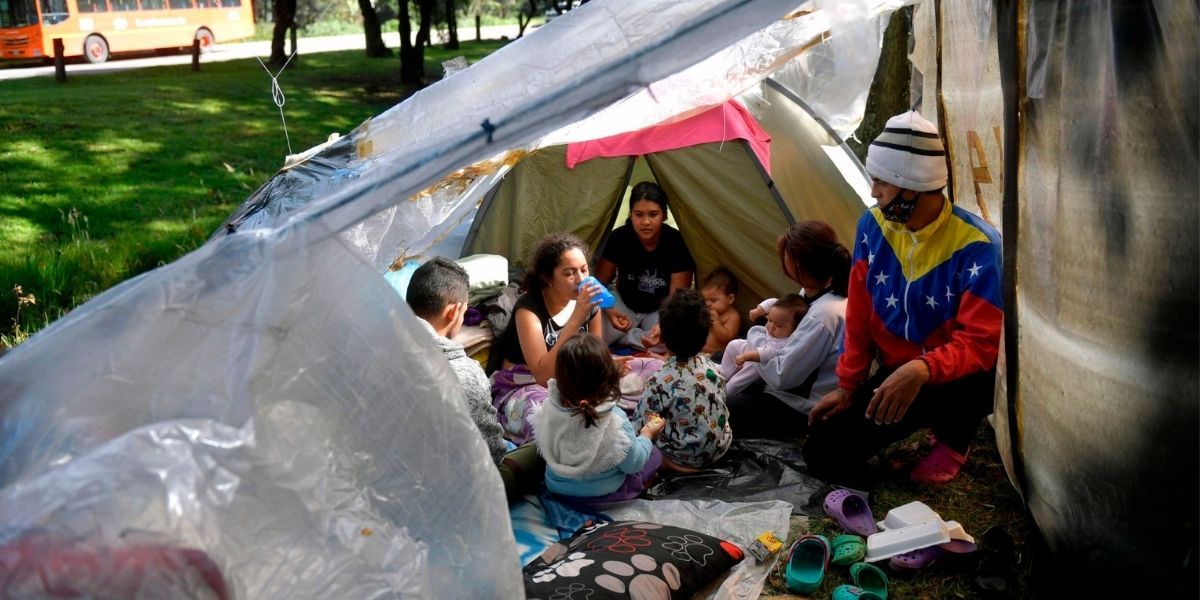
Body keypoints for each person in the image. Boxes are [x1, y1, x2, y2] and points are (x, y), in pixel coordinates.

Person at [804, 111, 1003, 485]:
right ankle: (922, 425)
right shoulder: (873, 225)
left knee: (983, 377)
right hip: (898, 371)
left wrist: (922, 370)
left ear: (912, 187)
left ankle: (953, 439)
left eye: (881, 181)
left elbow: (982, 345)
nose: (873, 192)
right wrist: (848, 386)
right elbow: (860, 313)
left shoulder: (978, 246)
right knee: (822, 452)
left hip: (947, 377)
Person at [724, 221, 850, 436]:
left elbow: (781, 377)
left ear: (800, 265)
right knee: (728, 359)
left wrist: (757, 333)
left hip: (799, 407)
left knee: (722, 413)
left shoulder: (825, 313)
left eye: (786, 257)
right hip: (781, 385)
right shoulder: (811, 292)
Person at [490, 233, 607, 445]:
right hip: (526, 384)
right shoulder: (529, 310)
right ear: (548, 278)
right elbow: (543, 375)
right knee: (553, 422)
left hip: (573, 379)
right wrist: (575, 321)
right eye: (569, 273)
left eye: (584, 269)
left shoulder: (590, 303)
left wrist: (610, 367)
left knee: (648, 373)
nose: (581, 279)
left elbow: (596, 357)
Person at [532, 335, 666, 504]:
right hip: (605, 495)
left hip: (558, 490)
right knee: (653, 455)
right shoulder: (615, 421)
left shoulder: (548, 408)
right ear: (608, 379)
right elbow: (633, 464)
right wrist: (647, 434)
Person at [407, 257, 508, 465]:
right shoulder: (465, 374)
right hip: (440, 487)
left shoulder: (373, 346)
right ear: (453, 312)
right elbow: (491, 453)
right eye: (464, 311)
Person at [637, 290, 733, 472]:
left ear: (663, 337)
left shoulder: (658, 381)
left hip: (682, 458)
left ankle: (673, 465)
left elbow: (641, 424)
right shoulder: (712, 367)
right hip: (720, 448)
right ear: (706, 335)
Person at [595, 181, 696, 350]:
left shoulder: (677, 242)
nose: (646, 222)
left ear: (664, 215)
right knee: (593, 338)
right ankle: (632, 338)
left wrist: (663, 325)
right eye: (639, 214)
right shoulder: (619, 238)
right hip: (623, 306)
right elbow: (598, 284)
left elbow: (676, 300)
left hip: (659, 312)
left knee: (676, 340)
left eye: (653, 214)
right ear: (631, 215)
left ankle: (627, 337)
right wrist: (609, 310)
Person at [719, 293, 808, 397]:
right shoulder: (779, 315)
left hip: (758, 363)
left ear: (795, 329)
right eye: (770, 320)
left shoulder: (783, 342)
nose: (771, 326)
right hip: (751, 345)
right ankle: (724, 372)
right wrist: (759, 311)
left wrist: (745, 356)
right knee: (733, 345)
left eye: (778, 325)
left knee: (738, 380)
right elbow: (773, 301)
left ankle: (723, 395)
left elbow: (766, 353)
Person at [700, 266, 741, 355]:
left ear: (730, 299)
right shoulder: (706, 311)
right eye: (705, 300)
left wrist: (716, 322)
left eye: (713, 300)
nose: (707, 304)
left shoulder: (732, 316)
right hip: (698, 351)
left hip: (716, 356)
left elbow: (727, 338)